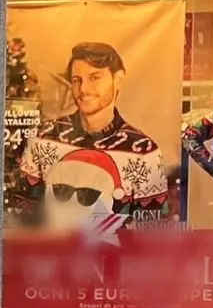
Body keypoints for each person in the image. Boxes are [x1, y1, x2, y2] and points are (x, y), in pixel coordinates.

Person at [18, 41, 168, 221]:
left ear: (118, 79)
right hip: (52, 249)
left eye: (94, 77)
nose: (83, 89)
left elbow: (151, 233)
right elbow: (24, 218)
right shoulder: (44, 137)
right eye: (76, 80)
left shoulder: (144, 152)